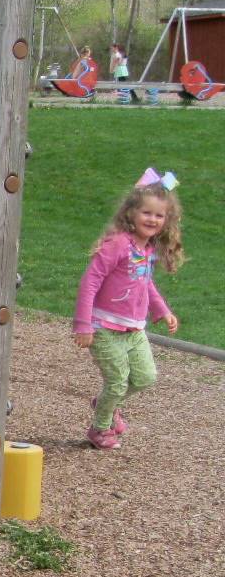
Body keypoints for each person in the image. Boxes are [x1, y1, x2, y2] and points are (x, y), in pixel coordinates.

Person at [73, 173, 184, 450]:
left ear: (166, 221)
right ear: (131, 213)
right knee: (118, 381)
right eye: (146, 212)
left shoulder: (146, 250)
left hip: (134, 328)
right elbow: (90, 281)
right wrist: (83, 324)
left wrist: (163, 311)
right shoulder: (118, 244)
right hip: (103, 327)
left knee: (146, 377)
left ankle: (106, 405)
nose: (152, 220)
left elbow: (146, 284)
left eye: (159, 216)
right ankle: (99, 429)